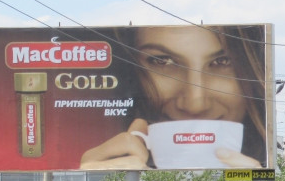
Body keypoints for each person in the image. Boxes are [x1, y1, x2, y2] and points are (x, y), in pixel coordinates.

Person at [79, 24, 268, 170]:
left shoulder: (268, 165)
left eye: (222, 61)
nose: (195, 104)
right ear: (131, 73)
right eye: (162, 61)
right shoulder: (121, 167)